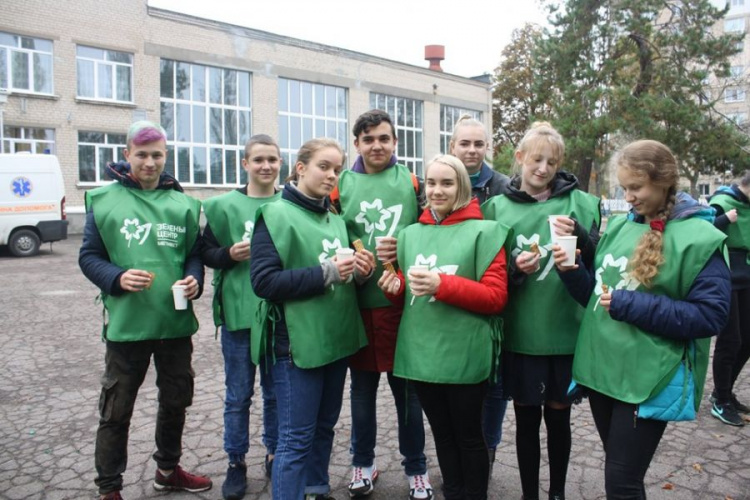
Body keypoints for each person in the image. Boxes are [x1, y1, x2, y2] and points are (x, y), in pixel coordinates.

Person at [554, 139, 731, 498]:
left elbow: (711, 316)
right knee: (620, 473)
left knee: (621, 482)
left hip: (649, 376)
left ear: (663, 180)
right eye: (624, 188)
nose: (629, 196)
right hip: (604, 370)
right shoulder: (620, 227)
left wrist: (629, 305)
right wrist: (572, 270)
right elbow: (597, 298)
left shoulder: (701, 238)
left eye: (636, 187)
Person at [79, 121, 211, 500]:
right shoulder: (104, 201)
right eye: (142, 155)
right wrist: (116, 277)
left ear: (166, 155)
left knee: (175, 401)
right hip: (127, 327)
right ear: (126, 155)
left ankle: (168, 470)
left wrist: (194, 280)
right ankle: (109, 488)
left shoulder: (183, 204)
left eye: (157, 155)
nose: (150, 162)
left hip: (174, 324)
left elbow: (193, 256)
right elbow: (89, 257)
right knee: (116, 409)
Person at [379, 154, 509, 500]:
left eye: (447, 183)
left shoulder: (486, 231)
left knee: (469, 437)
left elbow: (495, 298)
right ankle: (453, 493)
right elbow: (408, 297)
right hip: (421, 354)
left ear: (462, 187)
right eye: (431, 183)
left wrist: (442, 284)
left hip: (464, 353)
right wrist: (395, 289)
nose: (437, 190)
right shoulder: (409, 235)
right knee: (442, 436)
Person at [481, 122, 600, 500]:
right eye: (536, 159)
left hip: (565, 332)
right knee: (527, 419)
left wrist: (582, 235)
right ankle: (529, 493)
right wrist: (515, 268)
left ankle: (558, 493)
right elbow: (487, 270)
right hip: (522, 334)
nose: (543, 168)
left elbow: (604, 260)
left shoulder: (581, 203)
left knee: (560, 419)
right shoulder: (496, 208)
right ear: (519, 159)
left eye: (551, 161)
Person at [250, 138, 373, 500]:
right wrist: (328, 272)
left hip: (335, 340)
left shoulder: (335, 220)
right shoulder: (274, 215)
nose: (332, 175)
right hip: (296, 344)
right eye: (324, 166)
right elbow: (264, 282)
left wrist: (360, 273)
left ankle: (317, 490)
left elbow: (342, 278)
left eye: (337, 169)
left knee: (324, 428)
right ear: (300, 168)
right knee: (294, 440)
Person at [330, 109, 431, 500]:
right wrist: (349, 259)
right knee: (362, 392)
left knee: (408, 393)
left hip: (403, 305)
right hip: (357, 306)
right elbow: (329, 233)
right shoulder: (341, 185)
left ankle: (417, 467)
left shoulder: (411, 181)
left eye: (384, 138)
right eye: (368, 139)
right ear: (356, 143)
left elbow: (430, 228)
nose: (377, 145)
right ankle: (363, 462)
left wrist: (402, 249)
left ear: (395, 142)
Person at [201, 134, 281, 499]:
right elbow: (204, 251)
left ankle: (274, 452)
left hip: (279, 316)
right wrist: (228, 255)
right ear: (245, 164)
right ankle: (236, 461)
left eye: (273, 159)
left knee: (276, 392)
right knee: (238, 395)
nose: (266, 166)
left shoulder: (289, 203)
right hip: (238, 316)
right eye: (259, 159)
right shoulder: (222, 207)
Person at [448, 114, 511, 467]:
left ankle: (485, 455)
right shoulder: (440, 182)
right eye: (465, 143)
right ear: (452, 146)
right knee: (458, 384)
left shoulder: (504, 187)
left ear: (487, 147)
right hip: (452, 298)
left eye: (478, 143)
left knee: (493, 386)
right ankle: (460, 456)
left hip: (493, 298)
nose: (472, 150)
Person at [707, 170, 750, 426]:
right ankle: (720, 400)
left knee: (747, 339)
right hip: (726, 278)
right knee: (730, 339)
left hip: (747, 276)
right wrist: (723, 219)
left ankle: (724, 391)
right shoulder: (722, 201)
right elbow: (702, 230)